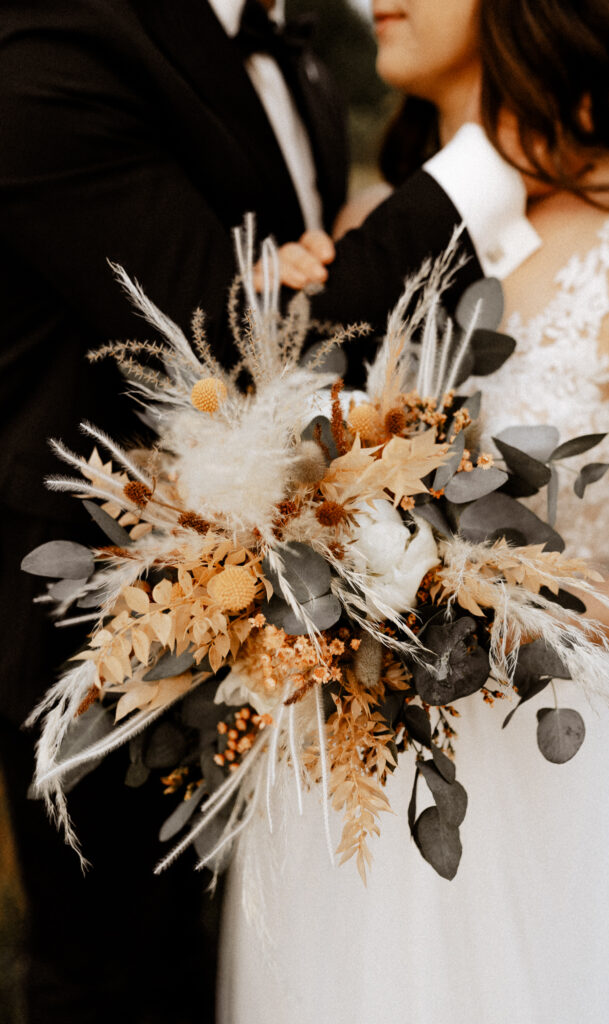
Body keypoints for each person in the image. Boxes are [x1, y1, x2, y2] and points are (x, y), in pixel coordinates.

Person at [0, 0, 546, 1020]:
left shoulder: (296, 53)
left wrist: (306, 272)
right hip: (109, 627)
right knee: (121, 976)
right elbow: (243, 352)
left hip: (307, 635)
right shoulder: (52, 45)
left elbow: (302, 314)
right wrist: (486, 166)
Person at [218, 1, 609, 1022]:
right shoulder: (360, 233)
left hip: (526, 770)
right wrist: (269, 345)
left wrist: (510, 616)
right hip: (332, 782)